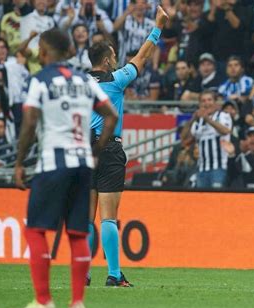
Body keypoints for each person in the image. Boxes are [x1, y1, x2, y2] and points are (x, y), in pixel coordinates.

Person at [11, 28, 118, 308]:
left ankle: (43, 301)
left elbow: (30, 123)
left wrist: (20, 162)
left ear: (44, 52)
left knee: (35, 230)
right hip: (83, 163)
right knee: (77, 233)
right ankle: (77, 303)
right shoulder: (85, 80)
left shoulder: (40, 80)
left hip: (53, 162)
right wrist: (95, 152)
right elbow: (112, 116)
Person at [86, 5, 169, 287]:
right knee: (108, 217)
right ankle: (113, 274)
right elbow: (142, 55)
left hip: (84, 149)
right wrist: (158, 27)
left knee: (86, 216)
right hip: (108, 149)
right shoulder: (116, 80)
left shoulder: (77, 83)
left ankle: (81, 274)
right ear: (108, 61)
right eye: (113, 56)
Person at [182, 90, 232, 188]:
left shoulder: (223, 116)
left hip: (219, 168)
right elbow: (184, 138)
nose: (206, 103)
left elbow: (225, 131)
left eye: (209, 100)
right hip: (201, 169)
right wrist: (192, 119)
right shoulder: (198, 122)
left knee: (216, 198)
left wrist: (208, 119)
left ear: (215, 102)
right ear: (200, 104)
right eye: (203, 101)